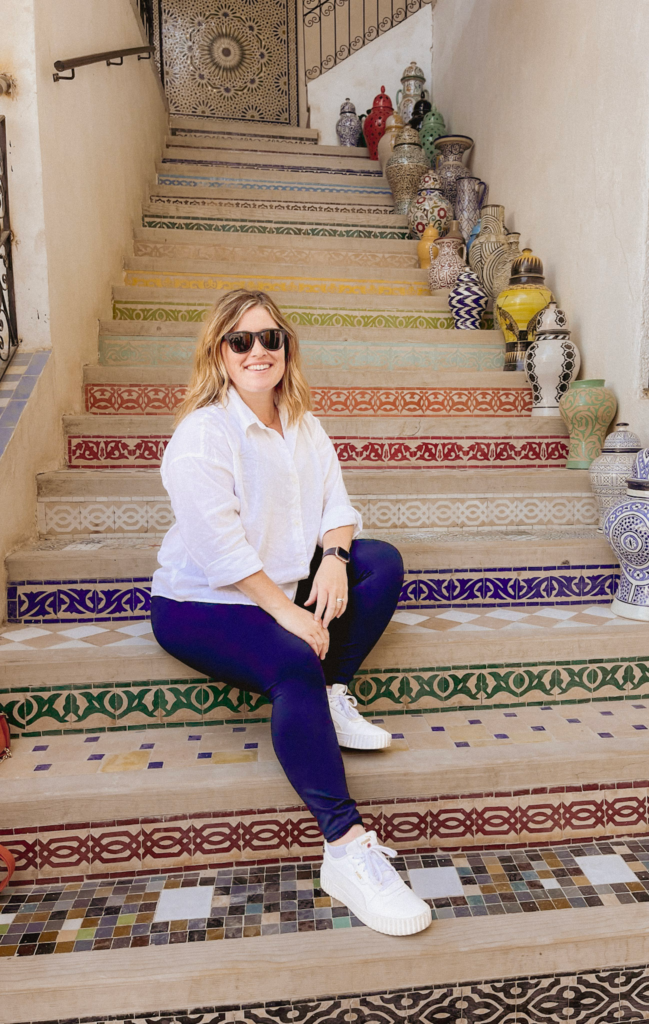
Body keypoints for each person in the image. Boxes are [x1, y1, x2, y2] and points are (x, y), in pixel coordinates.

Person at [150, 288, 431, 937]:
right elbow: (220, 550)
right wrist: (291, 615)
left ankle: (333, 691)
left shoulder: (300, 420)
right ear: (219, 352)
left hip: (281, 579)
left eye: (269, 338)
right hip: (200, 601)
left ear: (285, 348)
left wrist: (334, 558)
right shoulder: (202, 435)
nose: (257, 351)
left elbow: (338, 504)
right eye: (241, 340)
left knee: (379, 561)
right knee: (294, 660)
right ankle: (346, 848)